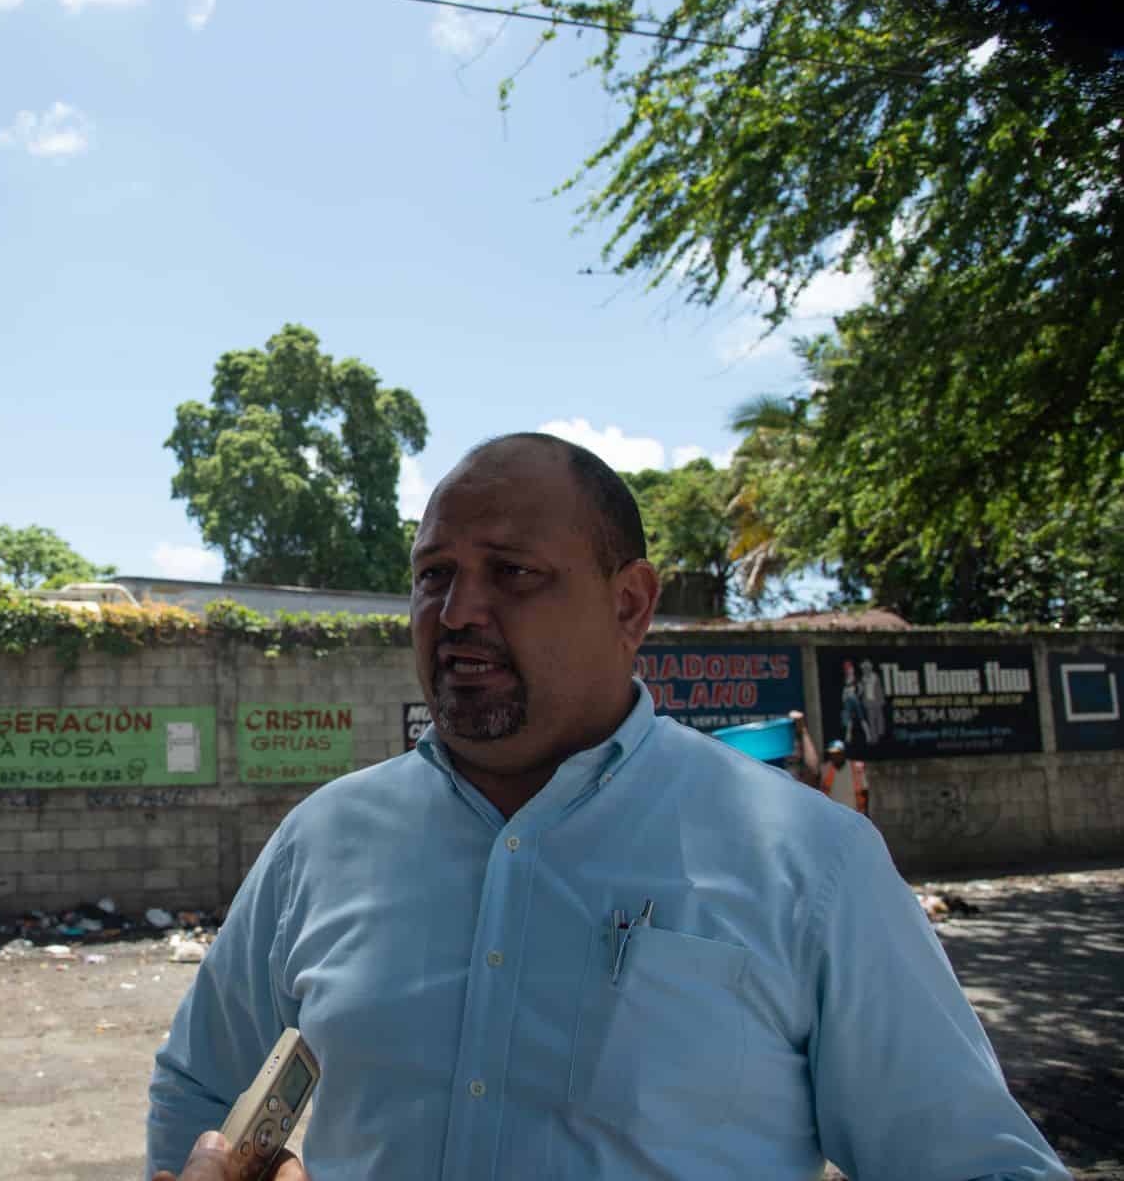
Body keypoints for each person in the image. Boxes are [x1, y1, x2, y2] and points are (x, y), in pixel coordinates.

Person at [147, 433, 1065, 1181]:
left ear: (630, 603)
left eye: (511, 572)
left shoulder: (808, 862)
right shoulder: (323, 841)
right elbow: (199, 1085)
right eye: (434, 574)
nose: (458, 610)